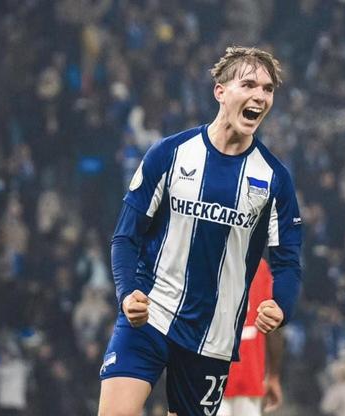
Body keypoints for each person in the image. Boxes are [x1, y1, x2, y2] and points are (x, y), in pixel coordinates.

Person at [98, 46, 303, 416]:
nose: (260, 96)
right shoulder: (169, 154)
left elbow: (288, 260)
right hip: (150, 315)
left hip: (213, 338)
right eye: (249, 84)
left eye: (268, 89)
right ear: (219, 91)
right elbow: (126, 237)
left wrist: (281, 305)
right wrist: (127, 293)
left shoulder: (275, 178)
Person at [217, 259, 285, 416]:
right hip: (250, 373)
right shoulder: (259, 266)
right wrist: (273, 375)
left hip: (211, 374)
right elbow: (273, 326)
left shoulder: (207, 257)